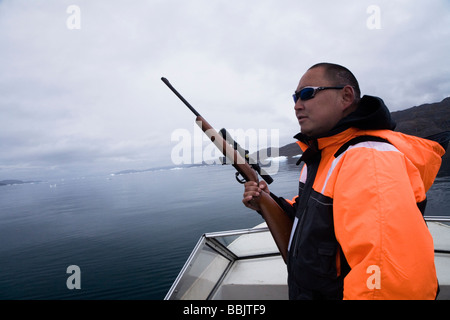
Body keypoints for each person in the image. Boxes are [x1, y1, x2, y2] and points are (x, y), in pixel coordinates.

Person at [242, 63, 445, 300]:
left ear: (346, 96)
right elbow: (308, 216)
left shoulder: (367, 160)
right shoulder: (326, 155)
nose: (297, 105)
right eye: (295, 97)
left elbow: (385, 284)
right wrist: (266, 202)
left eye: (307, 94)